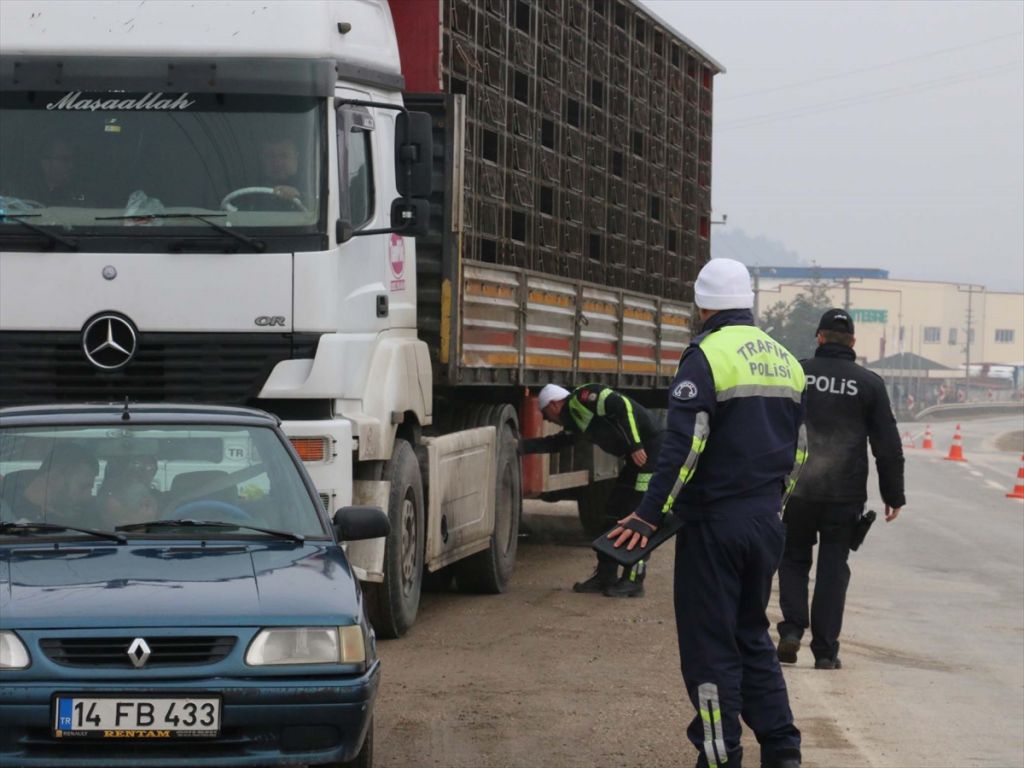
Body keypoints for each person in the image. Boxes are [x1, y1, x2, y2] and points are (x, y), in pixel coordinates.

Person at [609, 258, 806, 768]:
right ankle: (782, 750)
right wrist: (771, 508)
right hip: (765, 523)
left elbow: (684, 446)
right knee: (750, 637)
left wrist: (649, 514)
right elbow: (800, 451)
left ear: (701, 306)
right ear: (746, 303)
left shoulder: (705, 355)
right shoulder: (786, 360)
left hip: (717, 527)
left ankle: (720, 757)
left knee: (709, 652)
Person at [776, 309, 905, 671]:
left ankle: (790, 631)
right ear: (852, 343)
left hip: (797, 487)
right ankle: (825, 652)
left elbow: (774, 426)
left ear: (819, 338)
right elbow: (887, 445)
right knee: (833, 569)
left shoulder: (797, 373)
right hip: (844, 495)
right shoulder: (868, 383)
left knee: (793, 559)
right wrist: (893, 495)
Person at [521, 382, 663, 597]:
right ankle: (606, 575)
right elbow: (558, 443)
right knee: (612, 514)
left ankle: (634, 580)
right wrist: (521, 447)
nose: (547, 420)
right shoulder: (577, 419)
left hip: (650, 454)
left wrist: (635, 445)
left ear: (554, 404)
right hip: (636, 461)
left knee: (637, 516)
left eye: (545, 414)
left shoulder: (586, 396)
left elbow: (622, 406)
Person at [2, 443, 99, 525]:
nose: (89, 496)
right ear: (55, 477)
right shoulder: (4, 505)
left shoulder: (85, 518)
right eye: (83, 487)